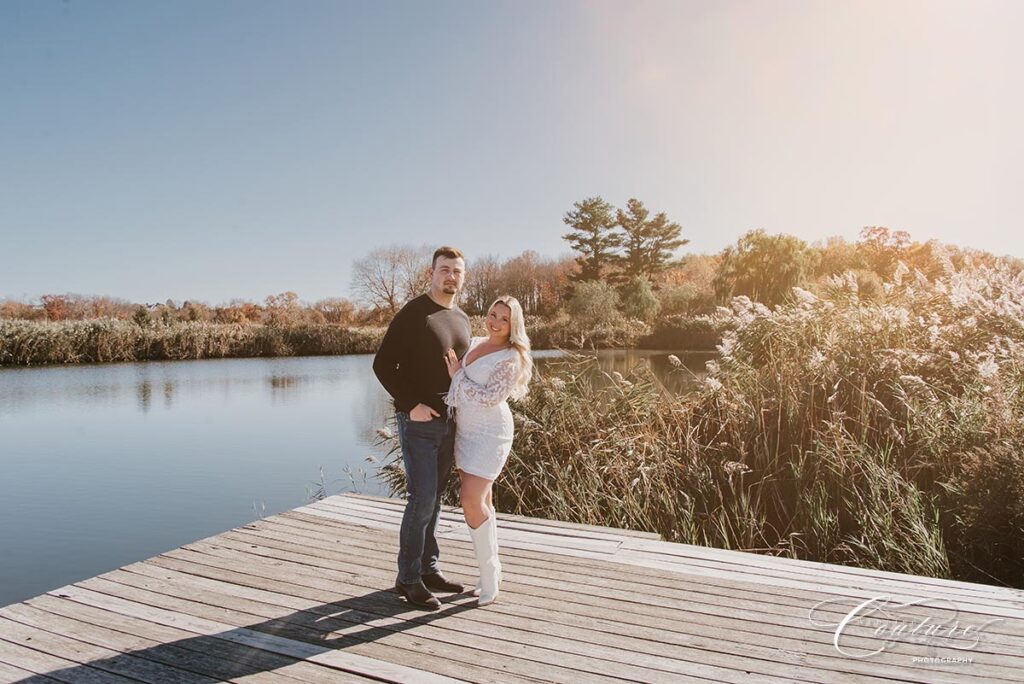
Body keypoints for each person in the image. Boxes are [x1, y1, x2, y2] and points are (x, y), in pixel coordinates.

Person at [373, 246, 471, 611]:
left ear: (463, 277)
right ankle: (408, 578)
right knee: (422, 498)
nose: (450, 277)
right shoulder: (414, 314)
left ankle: (429, 569)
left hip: (450, 422)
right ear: (430, 273)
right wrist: (410, 405)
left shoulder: (461, 318)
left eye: (457, 272)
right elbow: (383, 365)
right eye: (444, 270)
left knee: (436, 499)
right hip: (418, 423)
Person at [443, 296, 533, 605]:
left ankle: (490, 573)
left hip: (491, 433)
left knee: (469, 499)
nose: (494, 321)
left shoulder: (510, 358)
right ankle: (487, 572)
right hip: (466, 432)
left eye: (503, 319)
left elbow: (489, 398)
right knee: (483, 502)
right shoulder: (477, 341)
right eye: (492, 314)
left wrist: (457, 375)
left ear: (513, 326)